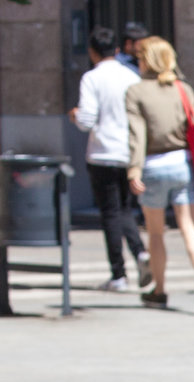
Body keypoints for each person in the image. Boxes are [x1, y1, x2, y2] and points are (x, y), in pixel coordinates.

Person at [124, 37, 194, 311]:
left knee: (155, 233)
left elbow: (137, 135)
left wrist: (133, 169)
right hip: (182, 164)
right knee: (189, 226)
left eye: (140, 58)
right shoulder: (183, 89)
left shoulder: (136, 92)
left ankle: (160, 290)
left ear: (147, 61)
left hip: (153, 165)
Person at [73, 29, 149, 290]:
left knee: (109, 213)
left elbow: (86, 120)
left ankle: (119, 275)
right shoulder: (131, 76)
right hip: (129, 152)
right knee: (125, 209)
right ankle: (140, 252)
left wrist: (75, 115)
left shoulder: (91, 78)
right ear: (117, 50)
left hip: (102, 153)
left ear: (93, 52)